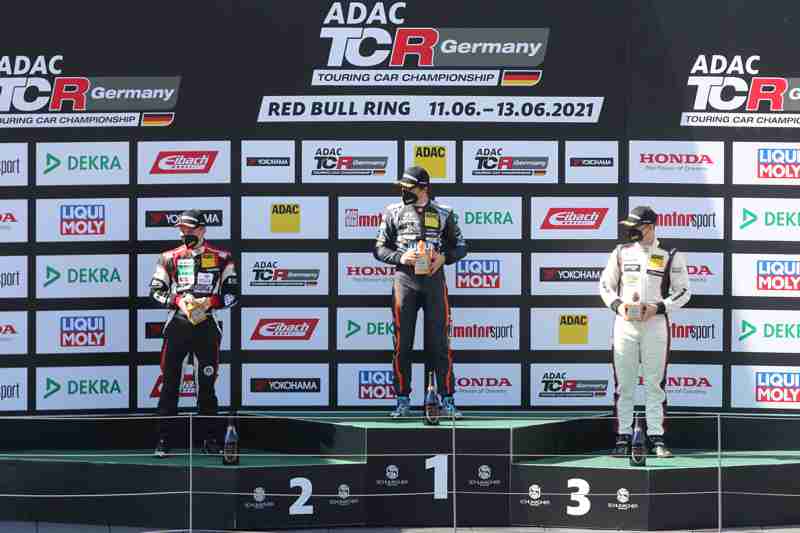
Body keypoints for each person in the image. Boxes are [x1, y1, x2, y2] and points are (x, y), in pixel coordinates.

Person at [374, 165, 467, 419]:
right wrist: (401, 257)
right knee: (402, 344)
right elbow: (379, 248)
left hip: (434, 281)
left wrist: (444, 258)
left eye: (408, 187)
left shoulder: (444, 212)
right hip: (405, 282)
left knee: (440, 344)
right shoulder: (393, 211)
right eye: (402, 187)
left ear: (423, 188)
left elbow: (461, 246)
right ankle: (402, 400)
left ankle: (447, 400)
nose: (403, 191)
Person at [599, 206, 691, 458]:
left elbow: (683, 291)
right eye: (628, 226)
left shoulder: (670, 254)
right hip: (625, 324)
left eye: (635, 226)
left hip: (655, 324)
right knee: (624, 384)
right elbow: (605, 285)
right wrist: (618, 306)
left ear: (649, 227)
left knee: (654, 384)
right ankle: (623, 437)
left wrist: (658, 307)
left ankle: (656, 438)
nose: (630, 230)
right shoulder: (621, 252)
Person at [149, 209, 239, 457]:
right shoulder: (168, 257)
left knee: (206, 385)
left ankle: (210, 439)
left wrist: (209, 302)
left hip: (207, 326)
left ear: (202, 229)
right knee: (170, 384)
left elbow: (233, 295)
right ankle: (164, 440)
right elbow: (155, 291)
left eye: (188, 228)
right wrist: (179, 301)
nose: (183, 233)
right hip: (178, 325)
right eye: (181, 229)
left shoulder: (222, 257)